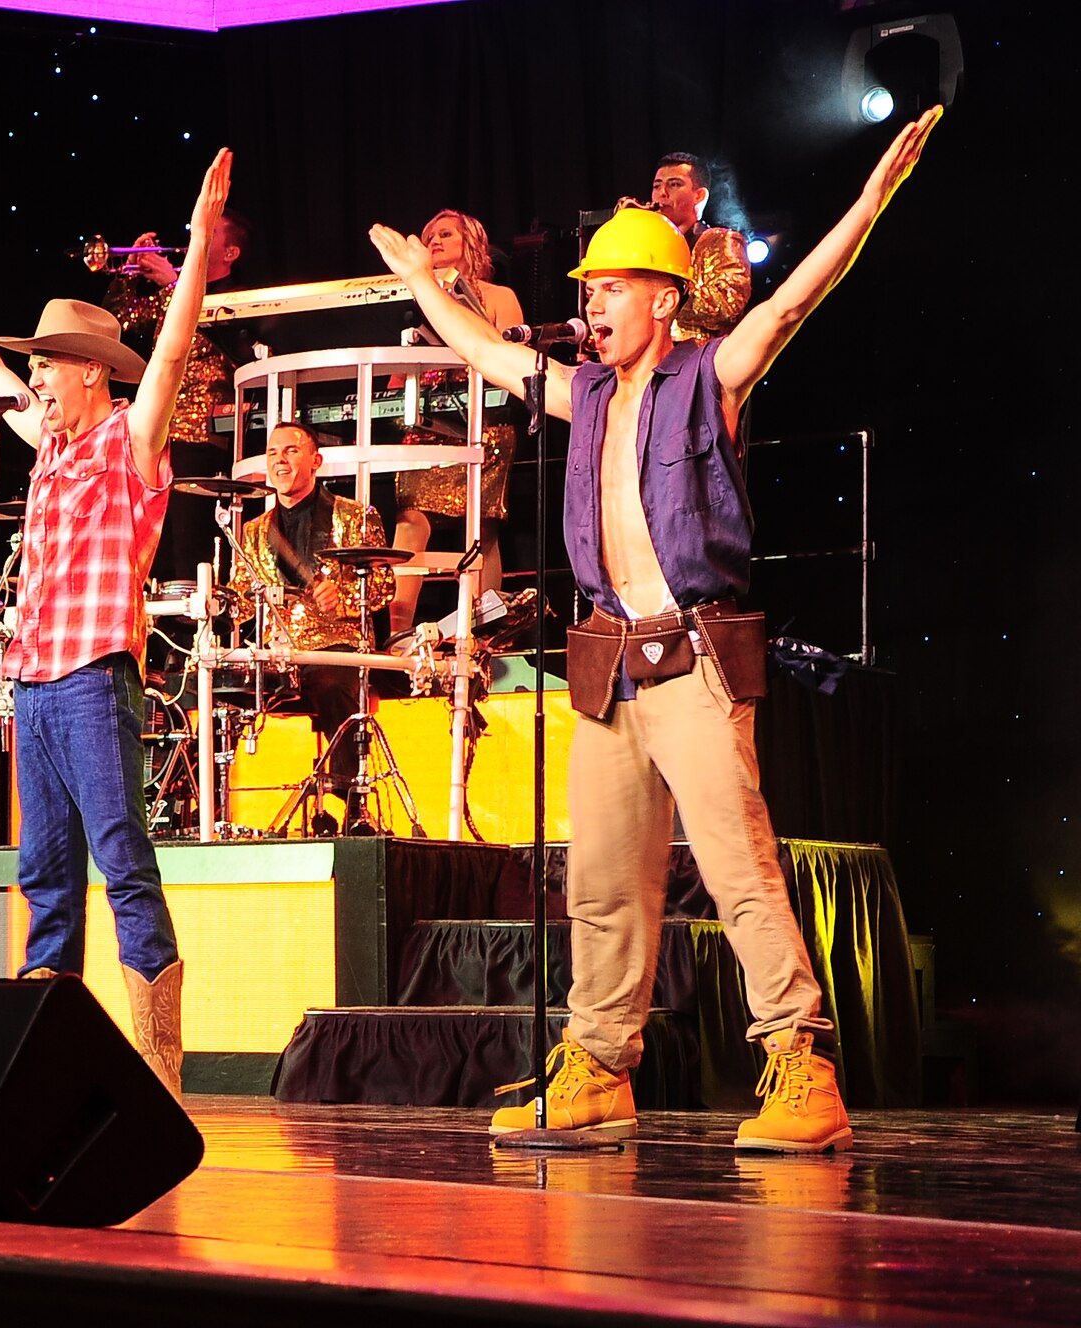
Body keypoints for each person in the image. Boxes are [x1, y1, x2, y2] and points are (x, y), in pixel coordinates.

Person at [368, 106, 942, 1152]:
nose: (589, 303)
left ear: (663, 299)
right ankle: (596, 1065)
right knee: (599, 878)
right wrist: (419, 283)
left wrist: (867, 201)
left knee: (735, 868)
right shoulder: (581, 391)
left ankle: (798, 1063)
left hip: (692, 655)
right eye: (585, 289)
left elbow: (796, 302)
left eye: (609, 287)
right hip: (607, 662)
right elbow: (481, 353)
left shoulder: (707, 376)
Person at [0, 148, 233, 1099]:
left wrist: (200, 245)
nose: (33, 376)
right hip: (35, 681)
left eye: (48, 365)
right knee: (45, 877)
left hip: (93, 678)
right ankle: (43, 1065)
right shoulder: (47, 444)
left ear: (92, 375)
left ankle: (160, 1067)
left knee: (121, 856)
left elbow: (168, 353)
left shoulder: (129, 443)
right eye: (35, 366)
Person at [227, 422, 395, 832]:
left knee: (331, 681)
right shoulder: (252, 532)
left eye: (291, 451)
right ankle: (206, 802)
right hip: (277, 652)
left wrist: (345, 595)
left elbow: (385, 584)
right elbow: (240, 600)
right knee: (207, 685)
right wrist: (218, 600)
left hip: (337, 645)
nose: (280, 460)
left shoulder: (356, 516)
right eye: (272, 453)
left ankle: (353, 796)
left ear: (316, 460)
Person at [388, 209, 526, 635]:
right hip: (425, 425)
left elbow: (514, 360)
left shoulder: (499, 295)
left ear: (472, 244)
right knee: (411, 520)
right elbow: (395, 378)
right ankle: (396, 634)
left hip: (487, 422)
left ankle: (485, 633)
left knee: (484, 529)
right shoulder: (412, 295)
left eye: (445, 234)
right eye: (428, 235)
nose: (434, 241)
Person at [103, 210, 253, 589]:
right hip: (154, 435)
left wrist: (175, 284)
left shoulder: (241, 298)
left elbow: (230, 341)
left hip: (200, 439)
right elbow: (115, 324)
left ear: (231, 252)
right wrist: (128, 273)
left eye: (209, 232)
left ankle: (191, 638)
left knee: (188, 551)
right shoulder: (172, 296)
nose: (192, 237)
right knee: (147, 550)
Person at [649, 152, 752, 344]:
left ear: (699, 196)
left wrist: (668, 286)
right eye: (656, 186)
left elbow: (727, 306)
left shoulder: (721, 240)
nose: (661, 193)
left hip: (698, 362)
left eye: (674, 184)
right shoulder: (648, 246)